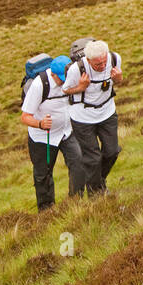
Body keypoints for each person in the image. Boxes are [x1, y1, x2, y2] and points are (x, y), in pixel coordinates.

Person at [20, 56, 85, 212]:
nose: (64, 82)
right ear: (53, 74)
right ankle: (46, 211)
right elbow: (25, 117)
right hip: (43, 138)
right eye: (61, 79)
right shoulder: (39, 85)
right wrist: (40, 124)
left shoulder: (71, 78)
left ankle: (76, 202)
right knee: (43, 175)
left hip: (66, 132)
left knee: (79, 163)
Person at [64, 39, 122, 195]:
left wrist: (118, 78)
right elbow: (66, 90)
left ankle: (98, 181)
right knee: (93, 158)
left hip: (108, 112)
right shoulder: (76, 69)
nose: (102, 66)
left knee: (112, 151)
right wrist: (81, 87)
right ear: (88, 60)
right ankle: (95, 193)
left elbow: (118, 82)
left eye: (104, 62)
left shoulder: (115, 58)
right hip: (83, 118)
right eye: (98, 65)